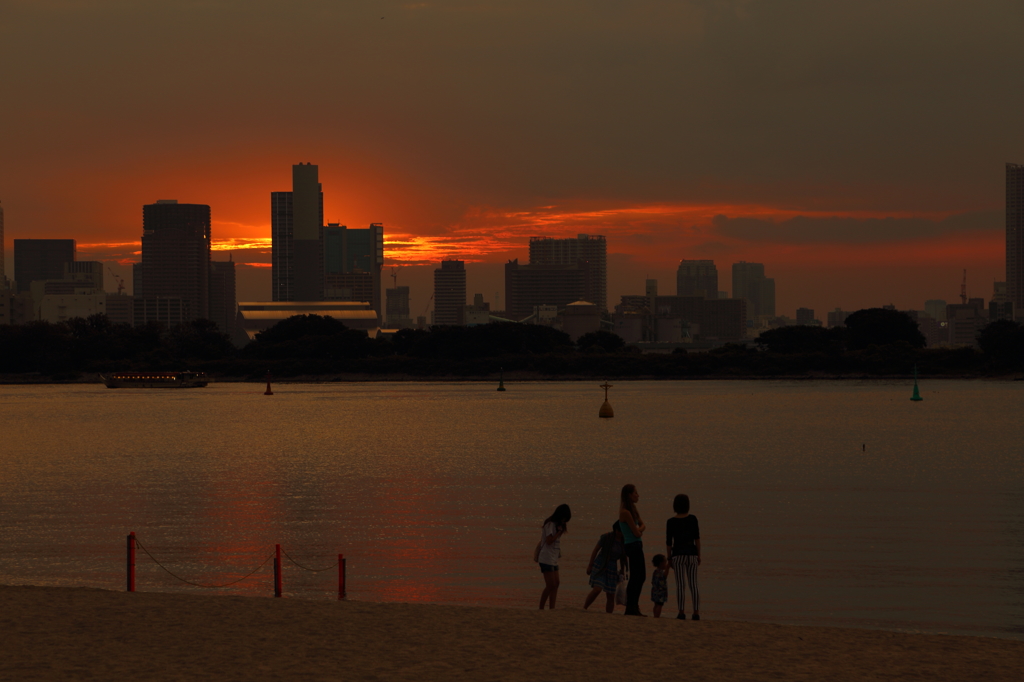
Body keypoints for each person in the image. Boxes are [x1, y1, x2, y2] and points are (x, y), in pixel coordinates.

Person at [665, 493, 701, 620]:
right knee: (693, 584)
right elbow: (697, 539)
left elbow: (669, 543)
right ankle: (696, 612)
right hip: (691, 553)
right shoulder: (693, 519)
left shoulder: (671, 522)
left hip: (678, 555)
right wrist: (699, 555)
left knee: (680, 585)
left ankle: (681, 612)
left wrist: (669, 558)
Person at [584, 523, 627, 613]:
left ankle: (608, 615)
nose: (620, 533)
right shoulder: (607, 537)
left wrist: (622, 570)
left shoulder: (624, 541)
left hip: (612, 566)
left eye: (622, 531)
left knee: (611, 595)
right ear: (615, 530)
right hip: (601, 564)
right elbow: (596, 550)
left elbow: (623, 558)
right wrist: (590, 565)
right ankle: (584, 608)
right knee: (597, 589)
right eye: (619, 531)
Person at [618, 484, 647, 616]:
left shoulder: (633, 509)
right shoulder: (625, 512)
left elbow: (642, 525)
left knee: (641, 576)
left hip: (637, 544)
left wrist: (639, 531)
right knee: (637, 576)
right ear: (629, 495)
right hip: (632, 545)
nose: (637, 495)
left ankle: (634, 605)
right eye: (635, 493)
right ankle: (631, 606)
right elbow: (636, 533)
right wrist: (639, 531)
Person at [538, 504, 571, 609]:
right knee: (550, 584)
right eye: (564, 519)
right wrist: (558, 532)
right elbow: (549, 541)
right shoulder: (550, 524)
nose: (564, 521)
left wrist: (560, 531)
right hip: (546, 557)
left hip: (553, 557)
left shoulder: (557, 525)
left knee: (556, 583)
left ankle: (552, 607)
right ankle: (541, 607)